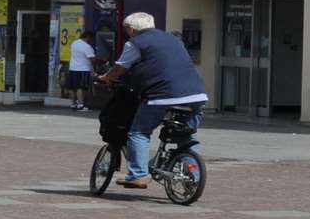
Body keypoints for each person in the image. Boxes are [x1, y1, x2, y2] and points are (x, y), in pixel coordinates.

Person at [95, 12, 209, 189]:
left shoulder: (135, 43)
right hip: (196, 95)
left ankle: (138, 175)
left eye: (127, 30)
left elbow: (120, 68)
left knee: (138, 132)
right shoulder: (173, 39)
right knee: (186, 137)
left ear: (131, 29)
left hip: (162, 96)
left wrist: (106, 78)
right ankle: (193, 178)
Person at [68, 29, 98, 111]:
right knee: (80, 87)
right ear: (88, 37)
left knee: (72, 87)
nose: (92, 41)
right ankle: (81, 105)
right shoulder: (86, 46)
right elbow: (92, 59)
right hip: (83, 69)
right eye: (92, 39)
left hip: (72, 68)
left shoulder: (74, 43)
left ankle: (73, 104)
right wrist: (101, 59)